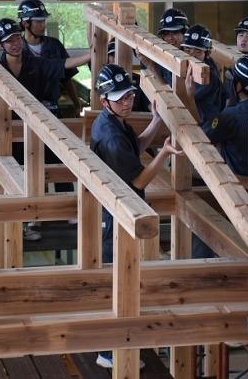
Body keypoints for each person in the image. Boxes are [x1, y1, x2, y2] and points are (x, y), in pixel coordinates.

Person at [90, 63, 182, 368]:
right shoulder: (110, 135)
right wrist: (164, 154)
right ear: (104, 100)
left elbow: (136, 148)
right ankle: (109, 353)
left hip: (120, 209)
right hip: (115, 214)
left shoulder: (114, 122)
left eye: (129, 96)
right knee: (118, 281)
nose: (127, 103)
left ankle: (114, 348)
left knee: (122, 278)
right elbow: (140, 180)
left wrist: (156, 122)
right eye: (120, 99)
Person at [0, 18, 65, 241]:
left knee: (37, 175)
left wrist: (92, 54)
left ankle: (33, 222)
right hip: (7, 133)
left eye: (17, 38)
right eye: (9, 41)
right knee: (11, 179)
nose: (15, 43)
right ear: (2, 44)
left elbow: (62, 65)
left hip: (34, 130)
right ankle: (4, 228)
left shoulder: (34, 63)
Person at [18, 0, 90, 117]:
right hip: (26, 111)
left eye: (44, 21)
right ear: (25, 23)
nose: (43, 25)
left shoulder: (54, 45)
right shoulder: (17, 49)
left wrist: (76, 104)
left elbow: (67, 78)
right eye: (38, 22)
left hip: (53, 108)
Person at [181, 24, 224, 124]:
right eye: (188, 50)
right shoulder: (203, 64)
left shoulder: (207, 76)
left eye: (198, 51)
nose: (191, 55)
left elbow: (183, 99)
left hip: (206, 125)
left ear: (207, 54)